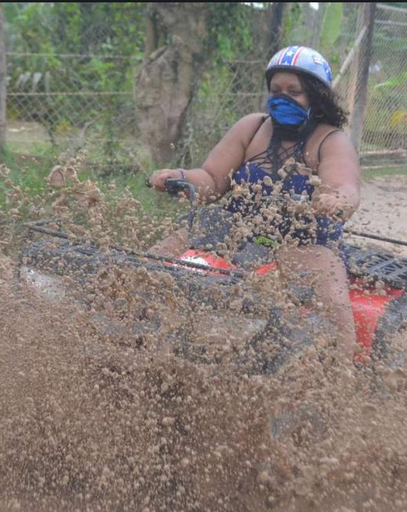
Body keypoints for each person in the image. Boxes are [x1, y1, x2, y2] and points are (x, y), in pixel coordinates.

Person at [147, 46, 361, 361]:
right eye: (276, 91)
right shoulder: (253, 127)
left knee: (331, 294)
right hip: (237, 227)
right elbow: (211, 179)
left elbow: (347, 187)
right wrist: (178, 176)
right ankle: (128, 316)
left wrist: (335, 200)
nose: (282, 98)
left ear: (316, 97)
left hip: (302, 240)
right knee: (158, 254)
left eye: (294, 91)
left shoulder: (331, 140)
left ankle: (343, 369)